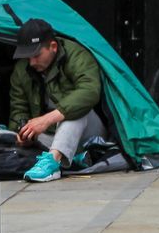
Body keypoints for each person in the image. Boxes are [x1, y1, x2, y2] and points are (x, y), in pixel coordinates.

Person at [8, 18, 105, 183]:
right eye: (27, 56)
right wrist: (23, 131)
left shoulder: (76, 55)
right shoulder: (22, 70)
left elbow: (89, 91)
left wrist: (47, 119)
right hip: (50, 139)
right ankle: (72, 159)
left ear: (53, 47)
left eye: (36, 55)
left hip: (88, 132)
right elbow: (18, 109)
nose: (31, 62)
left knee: (76, 111)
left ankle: (52, 164)